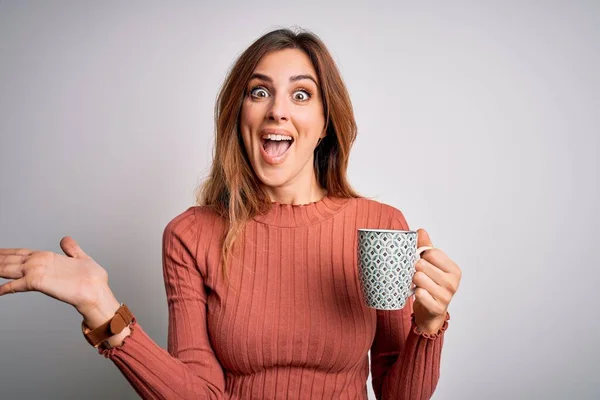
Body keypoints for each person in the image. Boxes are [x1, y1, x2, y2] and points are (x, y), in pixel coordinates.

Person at [0, 28, 462, 399]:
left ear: (324, 123)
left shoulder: (380, 225)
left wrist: (428, 326)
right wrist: (102, 309)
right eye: (259, 92)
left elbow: (399, 395)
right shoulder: (190, 235)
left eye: (301, 95)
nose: (278, 110)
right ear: (239, 116)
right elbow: (199, 393)